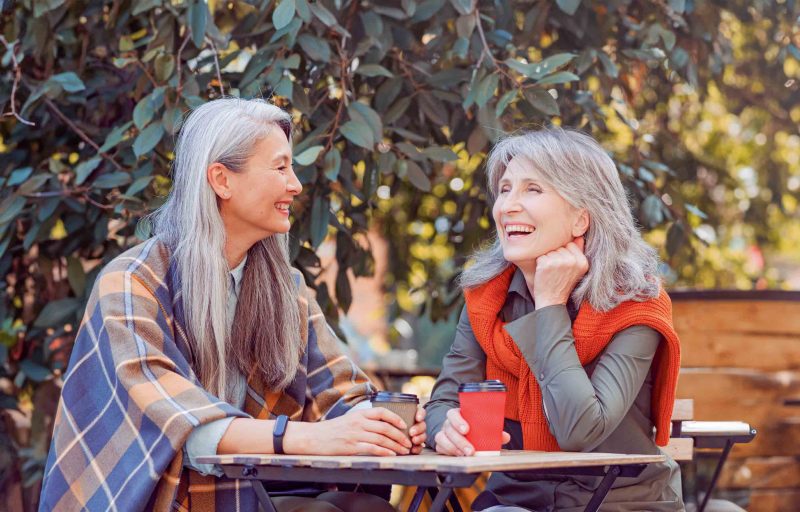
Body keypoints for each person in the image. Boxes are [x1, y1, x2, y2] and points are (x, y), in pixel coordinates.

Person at [40, 98, 426, 512]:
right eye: (280, 168)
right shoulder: (131, 284)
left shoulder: (286, 288)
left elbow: (340, 393)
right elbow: (181, 426)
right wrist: (310, 438)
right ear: (222, 180)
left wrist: (383, 421)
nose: (295, 184)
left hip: (254, 494)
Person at [424, 128, 684, 511]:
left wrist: (549, 305)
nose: (508, 205)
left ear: (581, 218)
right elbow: (444, 400)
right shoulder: (486, 299)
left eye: (533, 189)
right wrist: (443, 429)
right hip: (516, 499)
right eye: (505, 189)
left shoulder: (635, 303)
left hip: (622, 501)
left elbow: (580, 430)